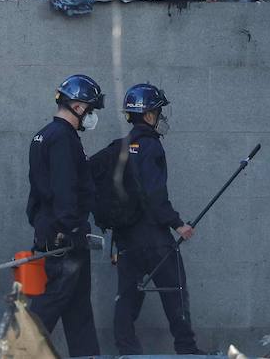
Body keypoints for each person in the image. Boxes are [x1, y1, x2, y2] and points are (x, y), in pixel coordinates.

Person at [111, 83, 201, 355]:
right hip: (154, 237)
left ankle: (127, 350)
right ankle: (187, 349)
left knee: (127, 297)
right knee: (175, 290)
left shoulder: (120, 147)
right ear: (148, 115)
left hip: (126, 238)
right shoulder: (151, 147)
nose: (160, 117)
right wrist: (177, 223)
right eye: (158, 112)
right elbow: (154, 193)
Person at [27, 73, 105, 356]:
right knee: (49, 307)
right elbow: (64, 189)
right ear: (79, 106)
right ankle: (20, 351)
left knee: (78, 310)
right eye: (92, 109)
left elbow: (36, 192)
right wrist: (68, 228)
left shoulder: (45, 135)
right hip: (64, 239)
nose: (92, 115)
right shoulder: (62, 138)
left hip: (58, 233)